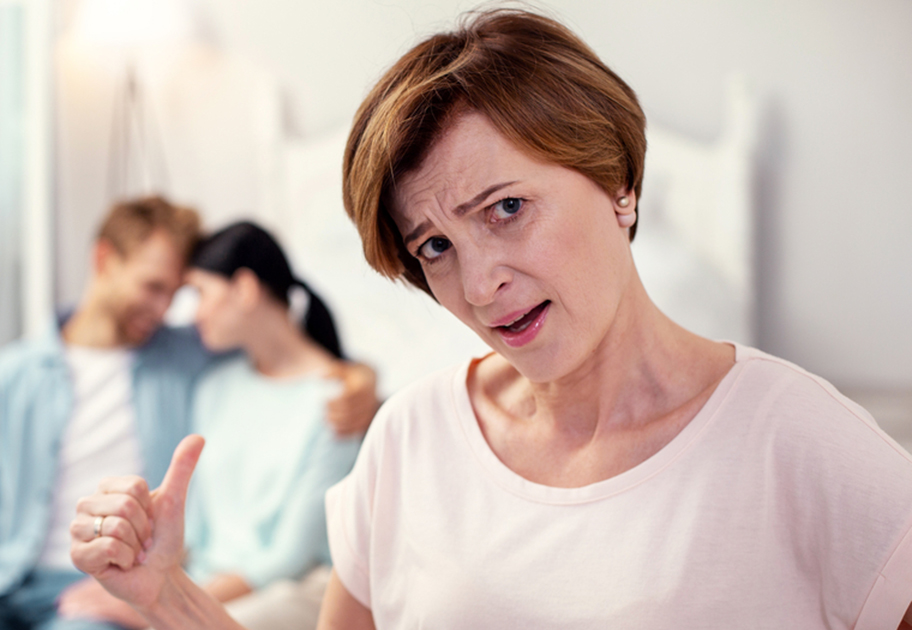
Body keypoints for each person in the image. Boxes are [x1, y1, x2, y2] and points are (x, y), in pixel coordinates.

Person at [67, 9, 912, 630]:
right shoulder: (410, 439)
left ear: (617, 184)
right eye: (435, 246)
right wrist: (167, 596)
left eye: (507, 208)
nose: (478, 285)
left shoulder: (798, 441)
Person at [0, 197, 378, 630]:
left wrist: (361, 379)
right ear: (104, 260)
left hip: (103, 583)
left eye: (177, 294)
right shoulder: (3, 378)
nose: (164, 309)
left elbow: (282, 351)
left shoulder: (188, 357)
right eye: (153, 287)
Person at [59, 222, 361, 629]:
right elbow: (194, 533)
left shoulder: (341, 400)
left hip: (288, 592)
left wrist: (158, 605)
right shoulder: (214, 386)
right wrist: (137, 587)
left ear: (245, 289)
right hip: (204, 582)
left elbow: (291, 557)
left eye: (200, 293)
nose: (193, 313)